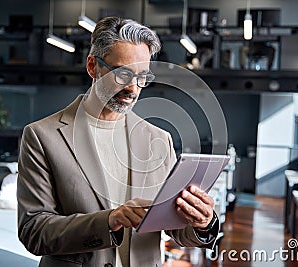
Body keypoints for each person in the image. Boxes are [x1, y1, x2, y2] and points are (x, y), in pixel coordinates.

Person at [17, 16, 220, 267]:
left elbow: (175, 229)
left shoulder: (159, 140)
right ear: (93, 66)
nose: (133, 88)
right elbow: (33, 231)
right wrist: (109, 220)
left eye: (142, 77)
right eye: (123, 74)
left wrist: (202, 222)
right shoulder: (41, 137)